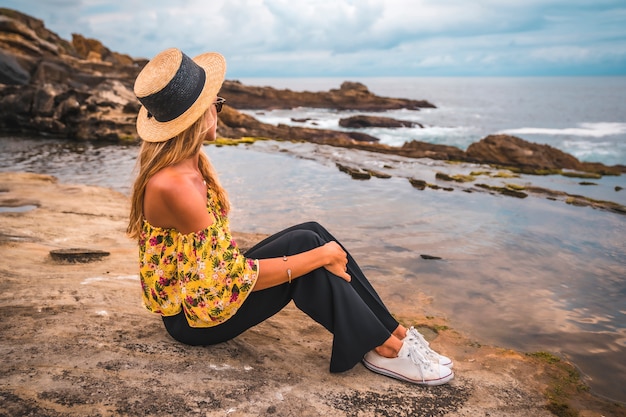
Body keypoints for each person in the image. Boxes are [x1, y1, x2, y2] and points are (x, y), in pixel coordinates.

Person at [127, 47, 454, 386]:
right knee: (310, 262)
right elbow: (225, 279)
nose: (219, 110)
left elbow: (216, 266)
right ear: (198, 116)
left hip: (202, 294)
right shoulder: (175, 185)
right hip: (193, 321)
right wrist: (318, 258)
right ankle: (384, 349)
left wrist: (318, 252)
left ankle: (393, 333)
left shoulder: (188, 165)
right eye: (217, 103)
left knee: (311, 234)